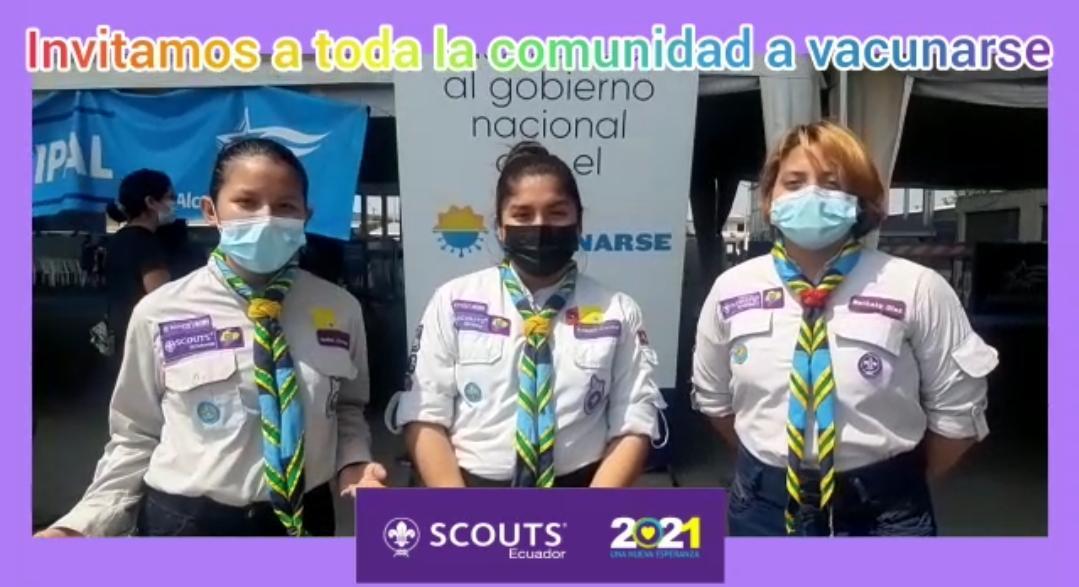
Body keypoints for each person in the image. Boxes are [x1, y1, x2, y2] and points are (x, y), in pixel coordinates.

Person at [36, 138, 386, 538]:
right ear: (211, 211)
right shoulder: (161, 311)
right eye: (247, 202)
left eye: (285, 206)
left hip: (305, 520)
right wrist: (80, 526)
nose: (266, 219)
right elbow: (135, 436)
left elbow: (348, 408)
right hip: (189, 525)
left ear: (306, 215)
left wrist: (354, 462)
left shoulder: (340, 309)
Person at [691, 121, 999, 537]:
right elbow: (714, 401)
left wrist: (890, 485)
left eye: (832, 183)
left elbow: (957, 419)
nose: (811, 195)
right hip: (763, 507)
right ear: (768, 199)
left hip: (884, 513)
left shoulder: (917, 287)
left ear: (861, 201)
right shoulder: (732, 288)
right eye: (794, 182)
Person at [393, 141, 665, 488]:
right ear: (500, 227)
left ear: (579, 223)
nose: (540, 227)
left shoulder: (619, 310)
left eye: (557, 213)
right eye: (522, 215)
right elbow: (424, 413)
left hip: (586, 492)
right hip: (468, 494)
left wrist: (592, 513)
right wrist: (458, 511)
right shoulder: (453, 302)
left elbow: (634, 421)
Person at [103, 169, 175, 352]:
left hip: (120, 334)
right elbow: (161, 298)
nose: (174, 203)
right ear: (150, 202)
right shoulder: (147, 243)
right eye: (170, 197)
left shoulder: (116, 240)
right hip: (145, 340)